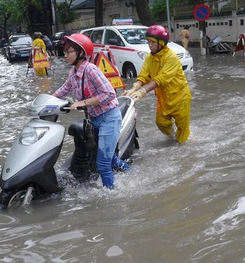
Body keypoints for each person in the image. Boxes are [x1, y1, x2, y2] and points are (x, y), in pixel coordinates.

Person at [53, 33, 130, 189]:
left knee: (102, 164)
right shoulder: (74, 73)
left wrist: (82, 102)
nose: (65, 55)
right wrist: (47, 101)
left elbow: (109, 93)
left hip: (109, 118)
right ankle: (132, 174)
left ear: (81, 53)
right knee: (112, 159)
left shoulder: (91, 70)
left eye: (69, 52)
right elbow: (64, 89)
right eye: (65, 51)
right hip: (94, 120)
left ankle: (111, 196)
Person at [123, 24, 192, 143]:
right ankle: (172, 137)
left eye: (153, 42)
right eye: (148, 42)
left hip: (180, 98)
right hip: (163, 99)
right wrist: (135, 87)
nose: (150, 45)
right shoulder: (150, 57)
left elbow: (161, 79)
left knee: (183, 134)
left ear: (162, 43)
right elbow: (144, 75)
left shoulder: (171, 57)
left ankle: (182, 145)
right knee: (161, 123)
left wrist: (143, 91)